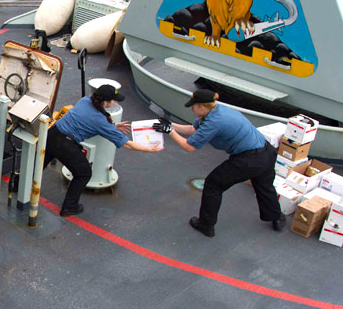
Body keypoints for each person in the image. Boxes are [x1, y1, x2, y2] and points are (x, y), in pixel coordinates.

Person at [161, 88, 284, 237]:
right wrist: (171, 125)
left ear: (201, 106)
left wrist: (170, 132)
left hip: (248, 159)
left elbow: (189, 147)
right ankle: (276, 217)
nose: (192, 109)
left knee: (213, 185)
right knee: (264, 186)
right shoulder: (218, 110)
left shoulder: (214, 122)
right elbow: (193, 129)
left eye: (193, 106)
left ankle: (206, 225)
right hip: (266, 152)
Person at [43, 84, 161, 216]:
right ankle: (69, 207)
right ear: (105, 102)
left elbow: (87, 119)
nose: (115, 102)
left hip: (52, 134)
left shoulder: (85, 101)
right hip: (65, 144)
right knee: (84, 173)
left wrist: (113, 126)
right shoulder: (100, 121)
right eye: (114, 100)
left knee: (41, 160)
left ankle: (19, 184)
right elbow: (126, 144)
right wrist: (148, 149)